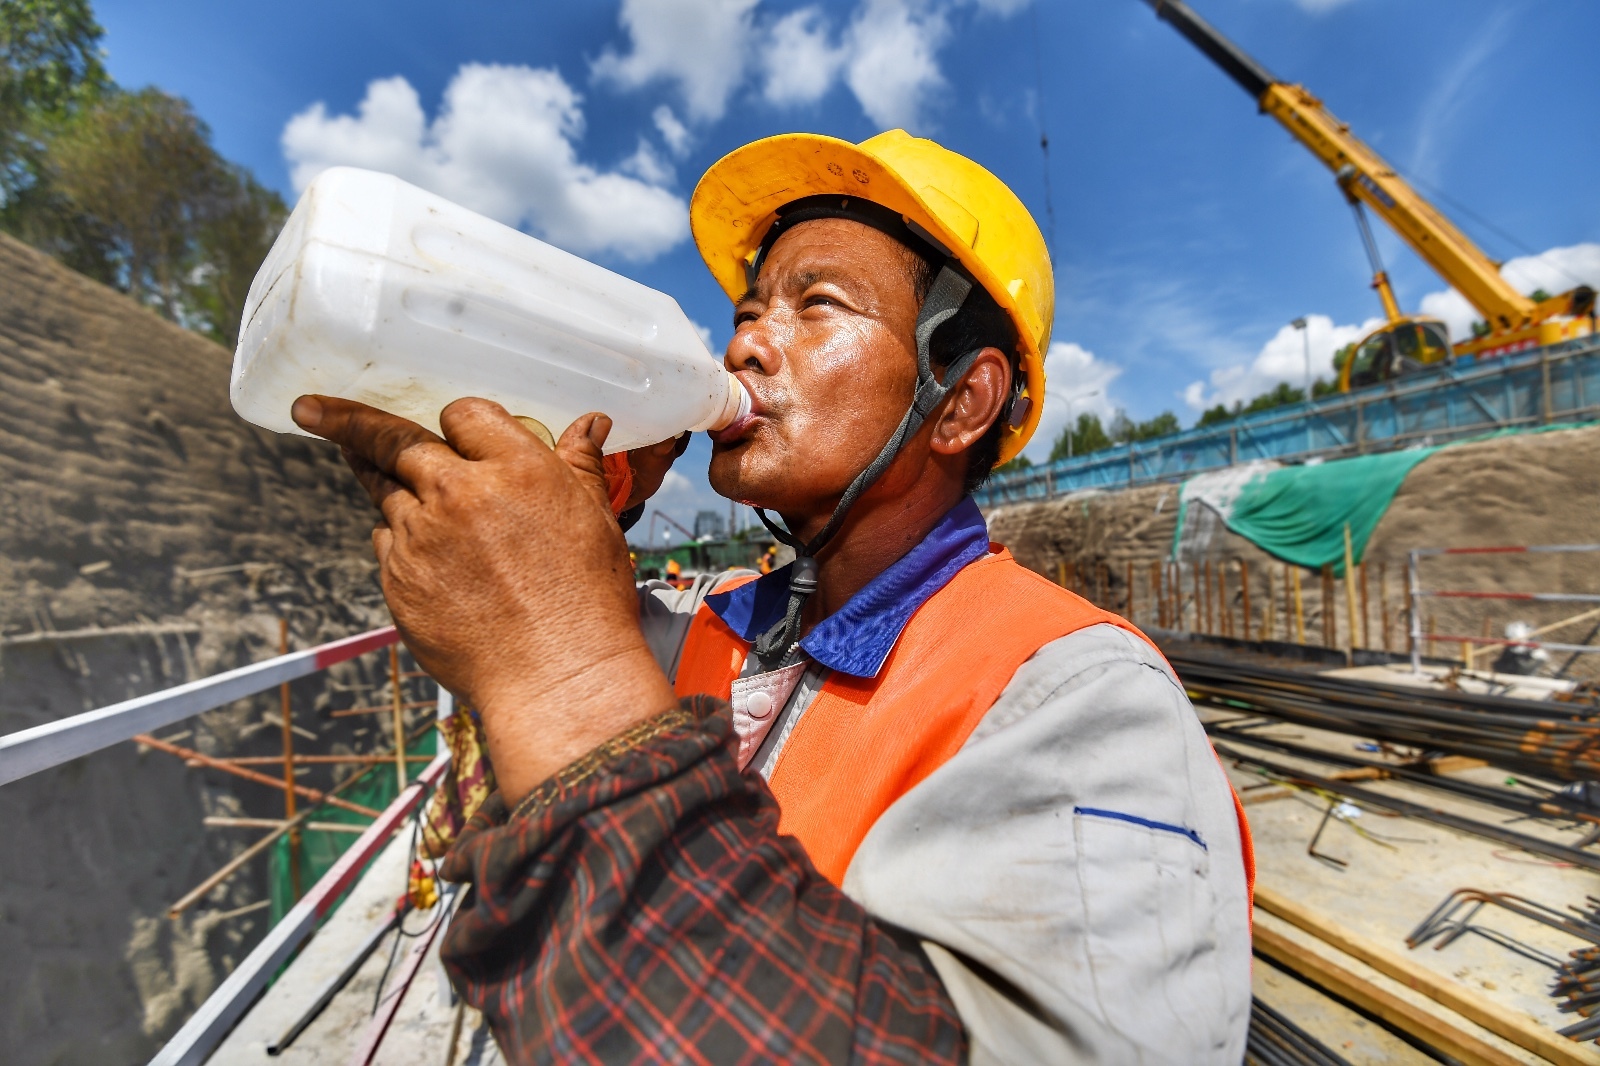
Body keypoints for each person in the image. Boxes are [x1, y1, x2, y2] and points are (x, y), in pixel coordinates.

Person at [291, 130, 1253, 1064]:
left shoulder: (1081, 697)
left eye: (817, 303)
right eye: (750, 311)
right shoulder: (713, 627)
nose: (747, 344)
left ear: (960, 401)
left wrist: (562, 675)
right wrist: (575, 526)